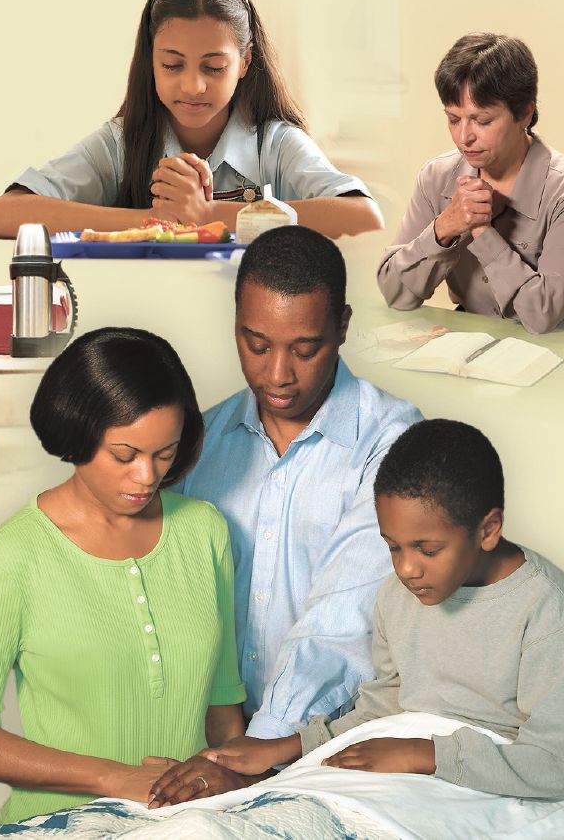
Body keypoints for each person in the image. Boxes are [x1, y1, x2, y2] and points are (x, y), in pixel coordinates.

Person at [179, 419, 564, 803]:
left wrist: (423, 753)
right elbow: (383, 705)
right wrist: (284, 747)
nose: (406, 568)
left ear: (487, 530)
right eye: (392, 546)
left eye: (427, 549)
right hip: (405, 759)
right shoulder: (400, 595)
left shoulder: (547, 610)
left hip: (492, 778)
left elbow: (556, 766)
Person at [0, 327, 249, 825]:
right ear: (78, 433)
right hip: (59, 826)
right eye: (124, 455)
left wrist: (234, 788)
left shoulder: (204, 531)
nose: (147, 476)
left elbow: (224, 708)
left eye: (164, 454)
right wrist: (114, 778)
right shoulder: (9, 558)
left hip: (191, 826)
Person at [153, 225, 421, 799]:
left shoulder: (392, 442)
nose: (277, 375)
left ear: (342, 327)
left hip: (332, 747)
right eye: (256, 345)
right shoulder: (198, 442)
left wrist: (256, 754)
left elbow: (343, 622)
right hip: (202, 743)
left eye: (305, 349)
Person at [0, 0, 383, 240]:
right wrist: (153, 221)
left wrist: (209, 217)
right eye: (173, 65)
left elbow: (365, 218)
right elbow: (2, 214)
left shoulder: (274, 144)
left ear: (244, 63)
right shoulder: (122, 143)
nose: (193, 86)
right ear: (150, 61)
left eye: (213, 68)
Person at [377, 32, 564, 334]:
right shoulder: (436, 176)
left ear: (525, 113)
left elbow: (541, 316)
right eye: (454, 119)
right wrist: (445, 227)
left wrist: (482, 232)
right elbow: (395, 293)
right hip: (477, 343)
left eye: (482, 121)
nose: (464, 137)